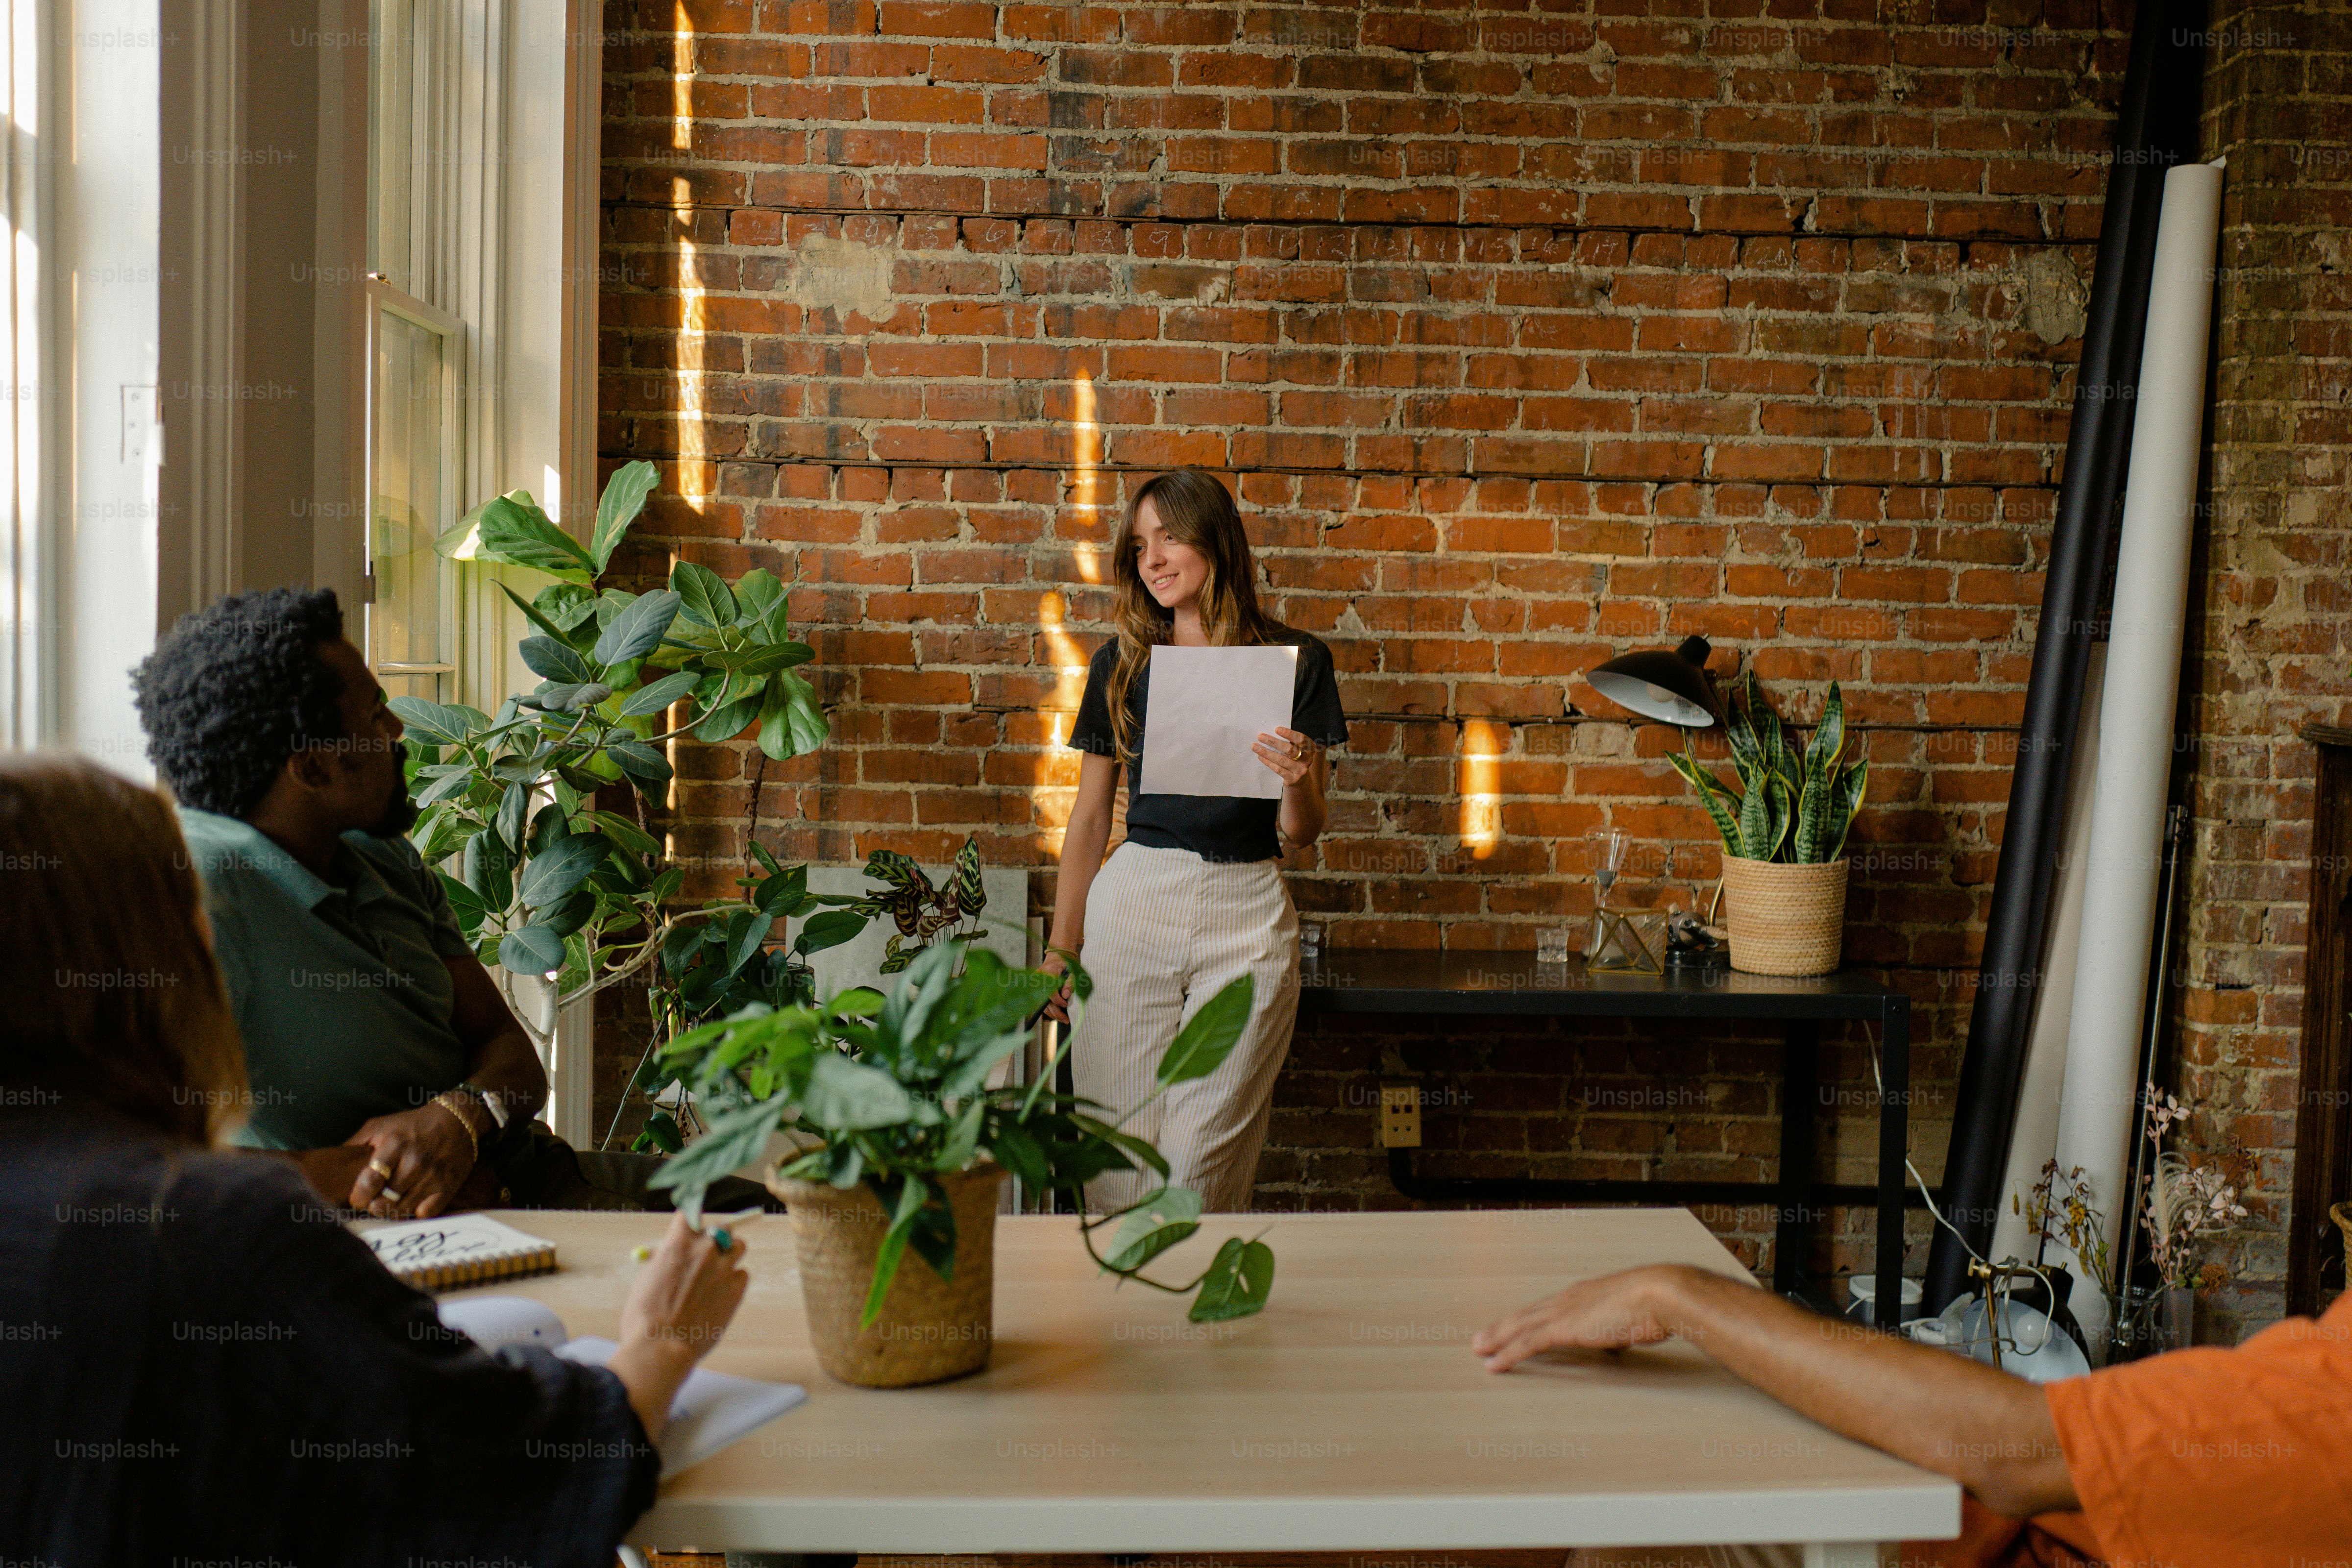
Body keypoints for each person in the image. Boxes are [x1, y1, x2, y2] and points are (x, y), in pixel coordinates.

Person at [0, 753, 750, 1563]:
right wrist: (661, 1342)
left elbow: (513, 1059)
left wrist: (461, 1118)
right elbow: (508, 1472)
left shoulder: (392, 865)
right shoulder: (207, 1233)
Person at [130, 586, 768, 1217]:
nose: (397, 728)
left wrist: (454, 1123)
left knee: (781, 1215)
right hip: (415, 1226)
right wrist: (377, 1171)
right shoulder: (201, 891)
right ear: (313, 769)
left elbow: (512, 1059)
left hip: (527, 1171)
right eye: (375, 715)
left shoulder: (380, 853)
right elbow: (147, 1162)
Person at [1472, 1260, 2352, 1568]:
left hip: (1938, 1538)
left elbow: (2019, 1450)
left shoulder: (2328, 1426)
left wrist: (1681, 1295)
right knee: (1620, 1501)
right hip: (1960, 1527)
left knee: (1633, 1530)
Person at [1043, 468, 1348, 1214]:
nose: (1153, 558)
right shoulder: (1123, 664)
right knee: (1115, 1158)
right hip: (1136, 899)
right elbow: (1087, 820)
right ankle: (1121, 1328)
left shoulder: (1299, 660)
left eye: (1170, 536)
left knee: (1199, 1171)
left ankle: (1192, 1329)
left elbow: (1301, 833)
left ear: (1216, 540)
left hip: (1246, 908)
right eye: (1141, 544)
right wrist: (1061, 949)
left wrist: (1300, 775)